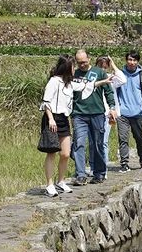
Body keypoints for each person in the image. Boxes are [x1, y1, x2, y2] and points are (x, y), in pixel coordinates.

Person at [39, 55, 110, 197]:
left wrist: (104, 81)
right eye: (72, 66)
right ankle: (50, 184)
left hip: (64, 119)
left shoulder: (69, 83)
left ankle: (61, 181)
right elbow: (46, 102)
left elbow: (87, 86)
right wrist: (51, 119)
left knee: (65, 153)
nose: (75, 69)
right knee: (52, 152)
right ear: (67, 68)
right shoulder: (54, 81)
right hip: (52, 119)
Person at [71, 49, 117, 185]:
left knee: (97, 144)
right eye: (79, 63)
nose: (82, 65)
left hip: (97, 113)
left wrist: (112, 108)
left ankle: (99, 172)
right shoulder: (74, 74)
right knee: (79, 144)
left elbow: (108, 91)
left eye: (84, 62)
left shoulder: (99, 72)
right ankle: (80, 174)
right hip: (79, 114)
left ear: (89, 59)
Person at [115, 50, 142, 172]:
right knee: (123, 139)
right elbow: (113, 91)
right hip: (122, 113)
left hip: (138, 113)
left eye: (134, 60)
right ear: (126, 60)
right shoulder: (120, 75)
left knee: (139, 138)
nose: (132, 62)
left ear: (138, 62)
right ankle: (124, 163)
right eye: (130, 60)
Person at [95, 55, 126, 176]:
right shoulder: (93, 78)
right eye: (100, 67)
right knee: (94, 142)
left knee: (103, 141)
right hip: (95, 112)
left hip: (108, 113)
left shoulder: (110, 78)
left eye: (105, 67)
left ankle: (104, 167)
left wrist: (113, 64)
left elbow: (123, 80)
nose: (102, 70)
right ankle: (96, 166)